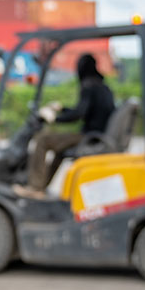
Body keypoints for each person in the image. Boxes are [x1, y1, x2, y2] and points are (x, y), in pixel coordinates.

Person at [23, 53, 115, 195]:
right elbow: (85, 109)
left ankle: (34, 187)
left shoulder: (88, 86)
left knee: (42, 140)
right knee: (59, 149)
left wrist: (54, 118)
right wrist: (62, 108)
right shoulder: (102, 86)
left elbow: (79, 114)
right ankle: (41, 187)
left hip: (89, 136)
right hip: (98, 134)